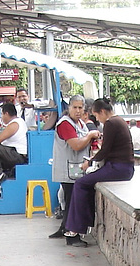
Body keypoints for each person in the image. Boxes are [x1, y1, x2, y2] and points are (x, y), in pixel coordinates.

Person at [63, 98, 134, 247]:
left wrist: (89, 162)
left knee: (81, 184)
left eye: (97, 116)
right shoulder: (119, 121)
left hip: (118, 168)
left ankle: (76, 228)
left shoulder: (110, 123)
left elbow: (105, 150)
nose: (98, 120)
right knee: (86, 183)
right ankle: (83, 224)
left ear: (102, 112)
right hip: (123, 167)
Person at [48, 95, 100, 239]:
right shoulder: (65, 124)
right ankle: (71, 236)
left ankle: (65, 228)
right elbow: (76, 145)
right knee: (72, 202)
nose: (77, 111)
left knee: (70, 201)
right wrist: (90, 136)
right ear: (69, 108)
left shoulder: (81, 124)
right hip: (68, 170)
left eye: (80, 108)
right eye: (74, 107)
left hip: (76, 169)